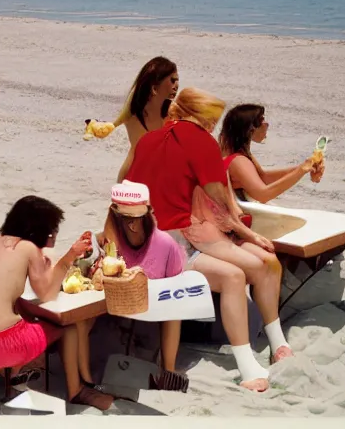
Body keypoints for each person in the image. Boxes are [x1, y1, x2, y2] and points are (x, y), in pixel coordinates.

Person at [125, 87, 294, 392]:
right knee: (237, 275)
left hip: (146, 239)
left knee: (249, 269)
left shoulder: (149, 139)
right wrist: (248, 232)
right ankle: (250, 363)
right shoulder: (201, 142)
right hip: (175, 245)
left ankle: (259, 356)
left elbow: (129, 183)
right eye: (211, 119)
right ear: (200, 116)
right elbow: (219, 196)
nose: (214, 126)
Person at [0, 195, 114, 410]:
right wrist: (70, 256)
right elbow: (48, 294)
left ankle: (16, 374)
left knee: (22, 310)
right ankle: (76, 390)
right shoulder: (28, 249)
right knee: (67, 329)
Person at [78, 180, 185, 385]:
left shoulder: (165, 244)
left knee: (174, 309)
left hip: (151, 311)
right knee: (83, 309)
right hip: (113, 312)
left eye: (137, 218)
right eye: (126, 218)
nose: (132, 224)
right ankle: (84, 379)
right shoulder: (106, 243)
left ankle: (169, 371)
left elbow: (175, 295)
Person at [219, 103, 325, 203]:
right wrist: (301, 170)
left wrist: (307, 167)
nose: (267, 124)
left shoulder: (236, 153)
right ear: (249, 129)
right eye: (261, 120)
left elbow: (263, 178)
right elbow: (263, 195)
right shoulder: (239, 160)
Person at [109, 56, 179, 182]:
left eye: (177, 81)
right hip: (136, 176)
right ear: (154, 88)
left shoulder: (132, 112)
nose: (176, 86)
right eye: (172, 81)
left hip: (138, 174)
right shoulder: (133, 116)